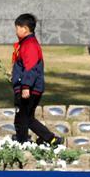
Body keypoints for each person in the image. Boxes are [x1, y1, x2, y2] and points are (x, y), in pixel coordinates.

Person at [10, 13, 61, 145]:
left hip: (30, 89)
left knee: (22, 118)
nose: (16, 31)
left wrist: (25, 86)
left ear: (25, 29)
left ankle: (22, 143)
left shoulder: (30, 44)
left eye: (17, 28)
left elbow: (31, 67)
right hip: (27, 87)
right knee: (27, 118)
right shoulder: (26, 44)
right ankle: (51, 139)